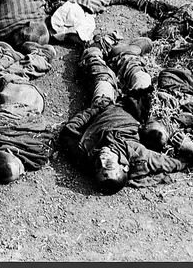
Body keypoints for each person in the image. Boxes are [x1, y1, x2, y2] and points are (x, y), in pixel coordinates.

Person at [60, 44, 186, 192]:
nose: (101, 160)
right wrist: (191, 150)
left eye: (98, 167)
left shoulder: (83, 152)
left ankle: (95, 49)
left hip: (102, 106)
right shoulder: (139, 155)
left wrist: (93, 111)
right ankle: (125, 55)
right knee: (143, 80)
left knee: (102, 77)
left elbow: (68, 131)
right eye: (108, 165)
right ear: (125, 166)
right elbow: (173, 163)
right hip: (133, 108)